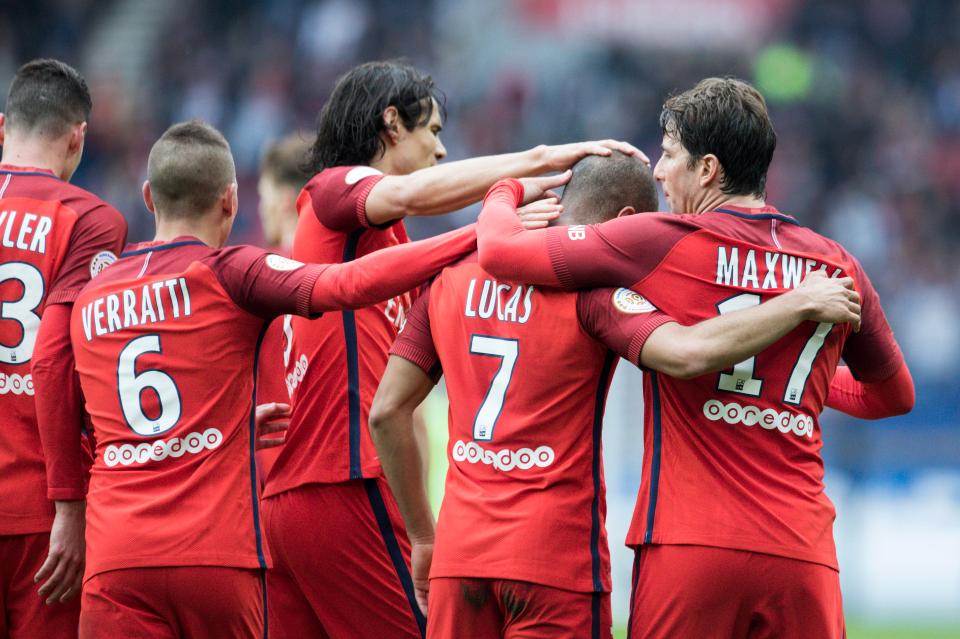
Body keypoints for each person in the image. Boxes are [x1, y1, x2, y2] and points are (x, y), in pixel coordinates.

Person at [474, 78, 914, 638]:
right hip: (801, 552)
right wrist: (804, 390)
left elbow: (500, 253)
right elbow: (894, 395)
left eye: (669, 154)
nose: (658, 171)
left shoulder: (659, 240)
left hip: (689, 545)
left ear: (707, 169)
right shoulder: (836, 265)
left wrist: (503, 190)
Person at [368, 151, 861, 639]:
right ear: (626, 220)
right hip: (555, 562)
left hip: (460, 559)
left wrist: (423, 536)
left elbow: (387, 412)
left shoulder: (450, 279)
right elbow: (687, 353)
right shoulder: (596, 294)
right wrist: (795, 311)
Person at [260, 59, 638, 639]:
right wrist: (523, 181)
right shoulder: (333, 187)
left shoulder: (389, 245)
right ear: (391, 124)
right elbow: (415, 191)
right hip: (345, 480)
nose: (441, 151)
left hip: (296, 498)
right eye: (432, 132)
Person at [69, 120, 479, 638]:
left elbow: (97, 427)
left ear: (148, 198)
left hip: (116, 558)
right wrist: (475, 234)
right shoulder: (232, 272)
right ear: (230, 201)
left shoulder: (90, 299)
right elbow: (347, 282)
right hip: (217, 557)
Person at [0, 58, 127, 638]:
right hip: (37, 503)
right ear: (79, 136)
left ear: (3, 128)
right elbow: (52, 359)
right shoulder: (89, 219)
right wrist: (71, 505)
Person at [254, 134, 313, 481]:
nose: (261, 209)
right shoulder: (353, 274)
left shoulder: (250, 278)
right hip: (347, 478)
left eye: (265, 196)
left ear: (286, 200)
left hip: (273, 477)